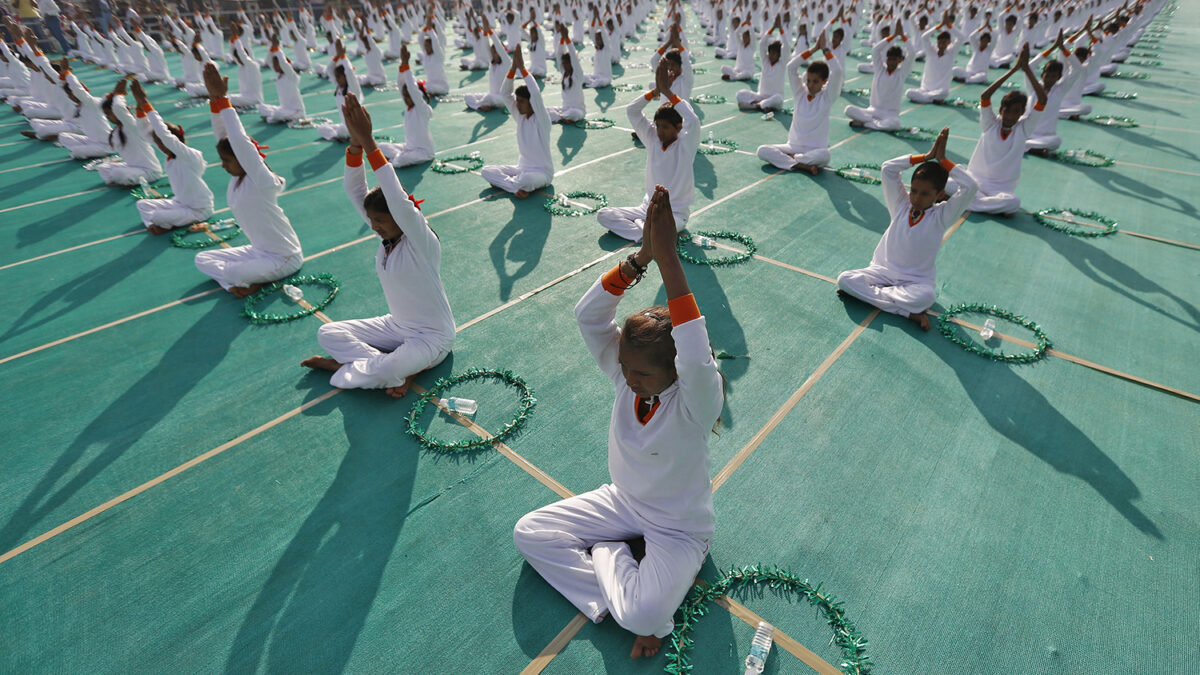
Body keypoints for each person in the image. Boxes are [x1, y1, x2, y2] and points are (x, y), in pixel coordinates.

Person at [514, 185, 723, 661]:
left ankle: (612, 558)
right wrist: (640, 258)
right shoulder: (625, 377)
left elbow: (693, 347)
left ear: (675, 372)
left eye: (642, 371)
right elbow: (588, 316)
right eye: (625, 366)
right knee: (530, 532)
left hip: (678, 527)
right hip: (623, 503)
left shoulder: (696, 402)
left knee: (649, 620)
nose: (627, 377)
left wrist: (669, 260)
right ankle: (618, 584)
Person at [302, 92, 454, 397]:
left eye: (381, 221)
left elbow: (396, 198)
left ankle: (380, 369)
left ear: (401, 217)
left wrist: (371, 143)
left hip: (431, 338)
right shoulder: (387, 238)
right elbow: (354, 188)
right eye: (372, 221)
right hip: (395, 327)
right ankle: (393, 370)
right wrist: (355, 146)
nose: (374, 226)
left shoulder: (421, 243)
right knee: (328, 332)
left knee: (387, 368)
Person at [836, 128, 978, 331]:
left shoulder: (942, 216)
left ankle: (871, 296)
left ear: (939, 195)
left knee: (926, 297)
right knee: (845, 279)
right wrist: (925, 157)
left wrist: (944, 161)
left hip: (915, 282)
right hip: (881, 272)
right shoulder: (900, 205)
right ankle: (904, 312)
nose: (917, 198)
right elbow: (888, 169)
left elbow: (971, 187)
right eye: (914, 191)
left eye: (925, 194)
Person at [195, 62, 303, 298]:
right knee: (202, 258)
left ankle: (241, 280)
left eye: (226, 160)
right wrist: (215, 101)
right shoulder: (238, 180)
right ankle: (241, 282)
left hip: (284, 257)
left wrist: (224, 101)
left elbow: (239, 141)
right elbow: (224, 137)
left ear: (245, 159)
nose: (222, 165)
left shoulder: (261, 180)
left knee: (233, 271)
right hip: (258, 252)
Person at [597, 58, 698, 241]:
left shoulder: (685, 144)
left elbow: (693, 120)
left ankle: (645, 232)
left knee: (663, 229)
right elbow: (632, 111)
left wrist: (668, 92)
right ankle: (645, 233)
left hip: (674, 214)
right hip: (647, 209)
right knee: (604, 214)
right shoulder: (652, 139)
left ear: (678, 127)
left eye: (665, 127)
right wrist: (655, 92)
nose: (659, 131)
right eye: (657, 126)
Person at [957, 44, 1046, 215]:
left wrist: (1026, 69)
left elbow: (1042, 100)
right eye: (1008, 110)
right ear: (1001, 109)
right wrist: (1013, 71)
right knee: (948, 178)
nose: (1011, 116)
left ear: (1022, 114)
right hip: (975, 181)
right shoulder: (990, 123)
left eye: (1017, 112)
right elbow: (985, 96)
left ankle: (967, 202)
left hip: (1000, 189)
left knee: (1013, 202)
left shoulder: (1024, 128)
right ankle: (983, 205)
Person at [129, 78, 214, 233]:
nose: (159, 146)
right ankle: (156, 226)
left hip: (198, 209)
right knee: (143, 204)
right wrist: (140, 108)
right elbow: (144, 133)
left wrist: (147, 105)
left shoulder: (189, 155)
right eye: (157, 142)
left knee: (158, 216)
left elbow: (165, 135)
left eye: (160, 142)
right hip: (180, 203)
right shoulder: (171, 156)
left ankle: (162, 224)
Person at [755, 31, 843, 174]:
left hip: (815, 151)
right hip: (793, 147)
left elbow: (837, 71)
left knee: (825, 155)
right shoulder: (800, 93)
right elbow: (791, 67)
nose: (810, 85)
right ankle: (801, 165)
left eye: (815, 81)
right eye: (808, 80)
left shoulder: (827, 97)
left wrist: (825, 49)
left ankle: (793, 160)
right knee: (762, 150)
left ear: (824, 81)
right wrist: (814, 49)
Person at [479, 44, 552, 199]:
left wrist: (523, 69)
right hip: (521, 169)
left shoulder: (541, 119)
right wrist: (513, 69)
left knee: (526, 180)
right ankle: (514, 187)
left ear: (531, 103)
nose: (516, 105)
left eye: (521, 102)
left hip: (541, 174)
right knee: (487, 170)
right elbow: (505, 94)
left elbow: (536, 93)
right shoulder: (520, 116)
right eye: (517, 101)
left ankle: (512, 185)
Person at [96, 76, 163, 186]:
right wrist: (113, 94)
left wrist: (119, 95)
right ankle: (123, 180)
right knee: (103, 168)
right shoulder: (117, 130)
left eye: (109, 114)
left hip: (149, 171)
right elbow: (100, 105)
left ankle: (125, 180)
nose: (108, 117)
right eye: (106, 115)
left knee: (118, 173)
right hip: (132, 167)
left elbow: (119, 108)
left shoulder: (132, 125)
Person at [845, 20, 912, 131]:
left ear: (900, 60)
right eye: (889, 59)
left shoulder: (901, 73)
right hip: (872, 111)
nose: (890, 62)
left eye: (894, 60)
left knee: (895, 124)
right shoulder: (880, 69)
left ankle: (866, 124)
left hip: (890, 114)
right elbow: (876, 50)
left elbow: (912, 52)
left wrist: (902, 36)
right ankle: (874, 123)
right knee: (848, 109)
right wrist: (893, 36)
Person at [376, 45, 435, 167]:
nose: (406, 99)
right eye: (404, 96)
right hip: (407, 148)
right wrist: (402, 65)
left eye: (409, 96)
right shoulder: (409, 108)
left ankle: (394, 160)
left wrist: (407, 66)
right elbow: (400, 83)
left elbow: (413, 90)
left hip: (423, 152)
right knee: (380, 147)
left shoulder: (422, 109)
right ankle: (394, 158)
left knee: (401, 160)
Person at [735, 15, 789, 111]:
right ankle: (763, 105)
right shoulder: (765, 61)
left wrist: (780, 28)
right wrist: (772, 28)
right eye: (770, 53)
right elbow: (762, 43)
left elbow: (787, 46)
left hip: (774, 99)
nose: (771, 56)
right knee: (740, 94)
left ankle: (756, 105)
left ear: (779, 55)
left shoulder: (782, 64)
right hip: (761, 96)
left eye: (774, 54)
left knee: (779, 98)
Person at [906, 13, 963, 104]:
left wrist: (949, 25)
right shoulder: (931, 51)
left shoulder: (951, 53)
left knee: (944, 92)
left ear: (948, 42)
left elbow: (961, 38)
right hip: (925, 89)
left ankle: (927, 99)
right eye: (940, 42)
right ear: (937, 42)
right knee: (908, 92)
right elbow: (924, 37)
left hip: (939, 90)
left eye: (944, 42)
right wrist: (939, 25)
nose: (941, 44)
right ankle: (932, 100)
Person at [257, 34, 306, 123]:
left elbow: (284, 63)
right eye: (274, 64)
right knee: (261, 107)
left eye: (276, 64)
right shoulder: (279, 76)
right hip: (283, 109)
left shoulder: (291, 75)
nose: (274, 66)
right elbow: (268, 61)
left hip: (296, 111)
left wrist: (278, 49)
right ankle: (276, 117)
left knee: (277, 114)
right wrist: (272, 47)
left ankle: (271, 118)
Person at [546, 21, 584, 123]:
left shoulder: (577, 75)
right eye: (564, 63)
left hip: (577, 110)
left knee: (574, 114)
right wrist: (562, 38)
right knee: (545, 110)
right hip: (564, 109)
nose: (565, 65)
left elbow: (573, 55)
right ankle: (563, 118)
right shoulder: (564, 73)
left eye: (567, 63)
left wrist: (567, 38)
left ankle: (564, 117)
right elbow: (559, 55)